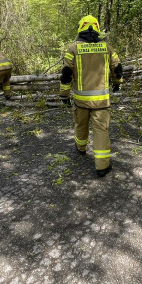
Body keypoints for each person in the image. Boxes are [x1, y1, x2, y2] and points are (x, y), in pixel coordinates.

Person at [60, 15, 123, 177]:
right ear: (97, 28)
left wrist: (64, 95)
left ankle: (81, 148)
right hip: (101, 101)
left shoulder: (73, 48)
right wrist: (117, 83)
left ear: (80, 28)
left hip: (81, 100)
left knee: (81, 124)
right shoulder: (107, 47)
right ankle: (102, 166)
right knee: (101, 130)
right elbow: (117, 68)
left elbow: (66, 74)